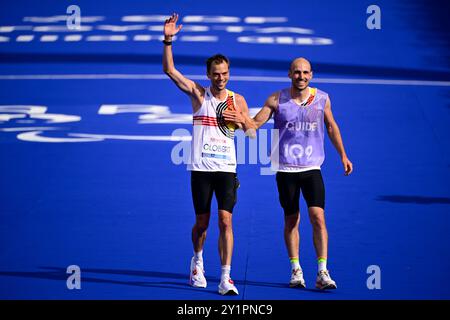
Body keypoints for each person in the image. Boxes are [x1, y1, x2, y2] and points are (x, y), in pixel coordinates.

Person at [233, 57, 353, 290]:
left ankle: (322, 271)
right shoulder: (276, 100)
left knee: (318, 217)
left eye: (305, 72)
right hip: (286, 169)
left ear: (312, 75)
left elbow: (331, 126)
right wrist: (241, 120)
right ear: (289, 74)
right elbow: (255, 125)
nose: (301, 76)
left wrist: (343, 155)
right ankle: (296, 269)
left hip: (312, 169)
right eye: (297, 72)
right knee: (292, 219)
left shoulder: (322, 99)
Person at [162, 13, 255, 295]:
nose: (221, 78)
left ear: (229, 73)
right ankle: (197, 261)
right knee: (202, 223)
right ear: (208, 75)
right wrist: (168, 40)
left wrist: (238, 119)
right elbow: (170, 70)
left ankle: (226, 277)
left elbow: (251, 131)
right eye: (216, 74)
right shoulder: (199, 95)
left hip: (226, 169)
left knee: (225, 220)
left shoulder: (237, 99)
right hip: (201, 169)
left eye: (225, 73)